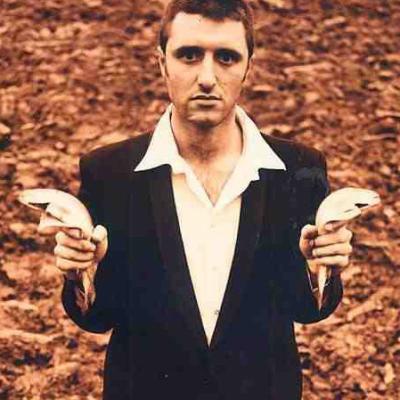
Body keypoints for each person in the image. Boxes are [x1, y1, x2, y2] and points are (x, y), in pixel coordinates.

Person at [55, 1, 353, 399]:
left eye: (226, 57)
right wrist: (81, 271)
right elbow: (98, 317)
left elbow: (307, 309)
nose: (208, 78)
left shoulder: (298, 168)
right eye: (189, 55)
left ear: (248, 67)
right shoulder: (110, 172)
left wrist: (321, 269)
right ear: (162, 63)